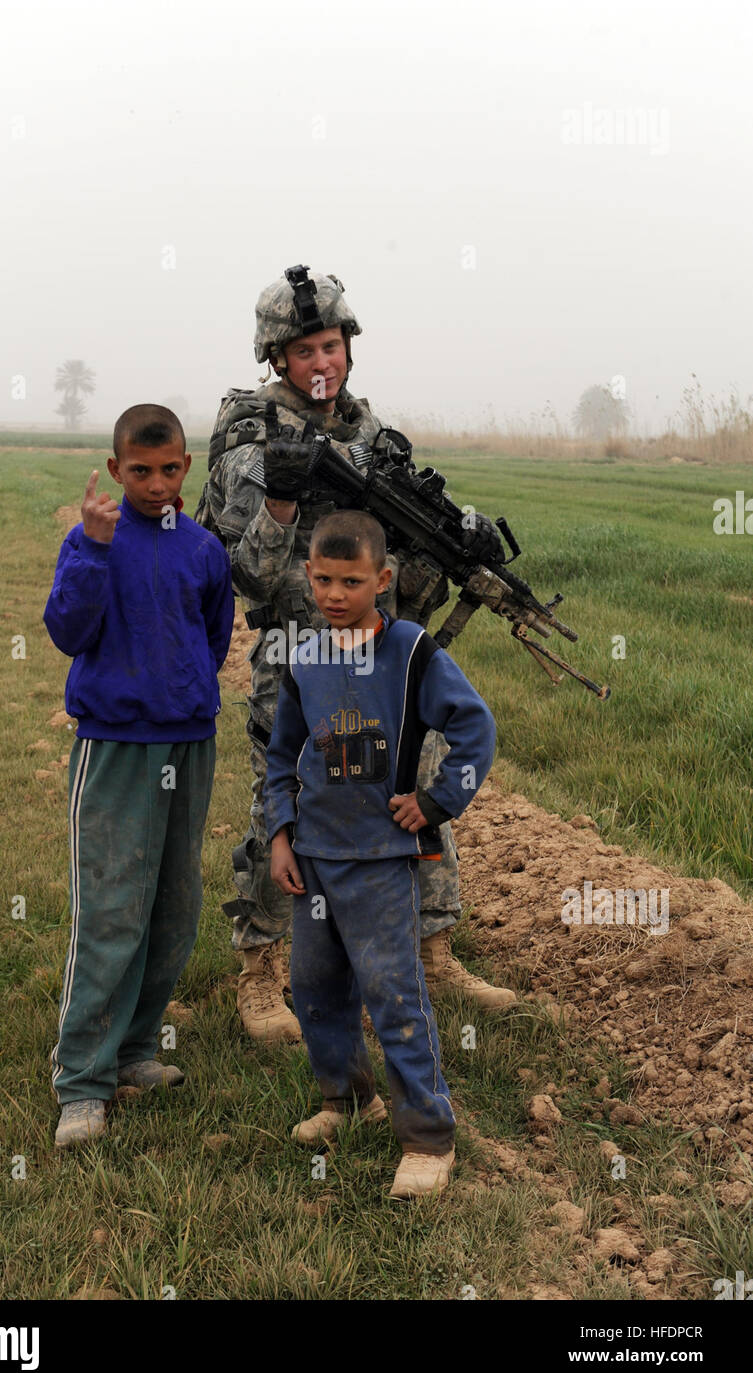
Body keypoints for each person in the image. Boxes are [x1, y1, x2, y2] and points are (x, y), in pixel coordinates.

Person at [196, 264, 515, 1041]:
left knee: (424, 783)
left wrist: (446, 550)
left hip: (381, 660)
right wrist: (277, 498)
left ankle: (433, 951)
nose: (321, 364)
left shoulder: (374, 441)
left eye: (331, 346)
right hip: (298, 657)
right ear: (277, 357)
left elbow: (402, 583)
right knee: (289, 802)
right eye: (304, 350)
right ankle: (261, 970)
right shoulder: (249, 435)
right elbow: (246, 574)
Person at [264, 510, 496, 1197]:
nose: (335, 594)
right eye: (324, 580)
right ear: (308, 576)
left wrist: (433, 803)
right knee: (313, 989)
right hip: (312, 859)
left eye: (352, 581)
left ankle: (427, 1137)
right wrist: (280, 833)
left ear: (382, 579)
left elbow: (474, 728)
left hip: (381, 861)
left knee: (392, 994)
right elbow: (281, 756)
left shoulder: (413, 653)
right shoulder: (304, 657)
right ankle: (344, 1099)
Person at [43, 404, 233, 1149]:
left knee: (172, 905)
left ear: (186, 467)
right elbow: (67, 631)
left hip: (187, 740)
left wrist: (180, 690)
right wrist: (91, 551)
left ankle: (133, 1051)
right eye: (140, 471)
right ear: (117, 470)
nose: (156, 483)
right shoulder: (91, 540)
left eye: (170, 469)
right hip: (116, 745)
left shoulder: (202, 549)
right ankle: (81, 1083)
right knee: (113, 907)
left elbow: (212, 637)